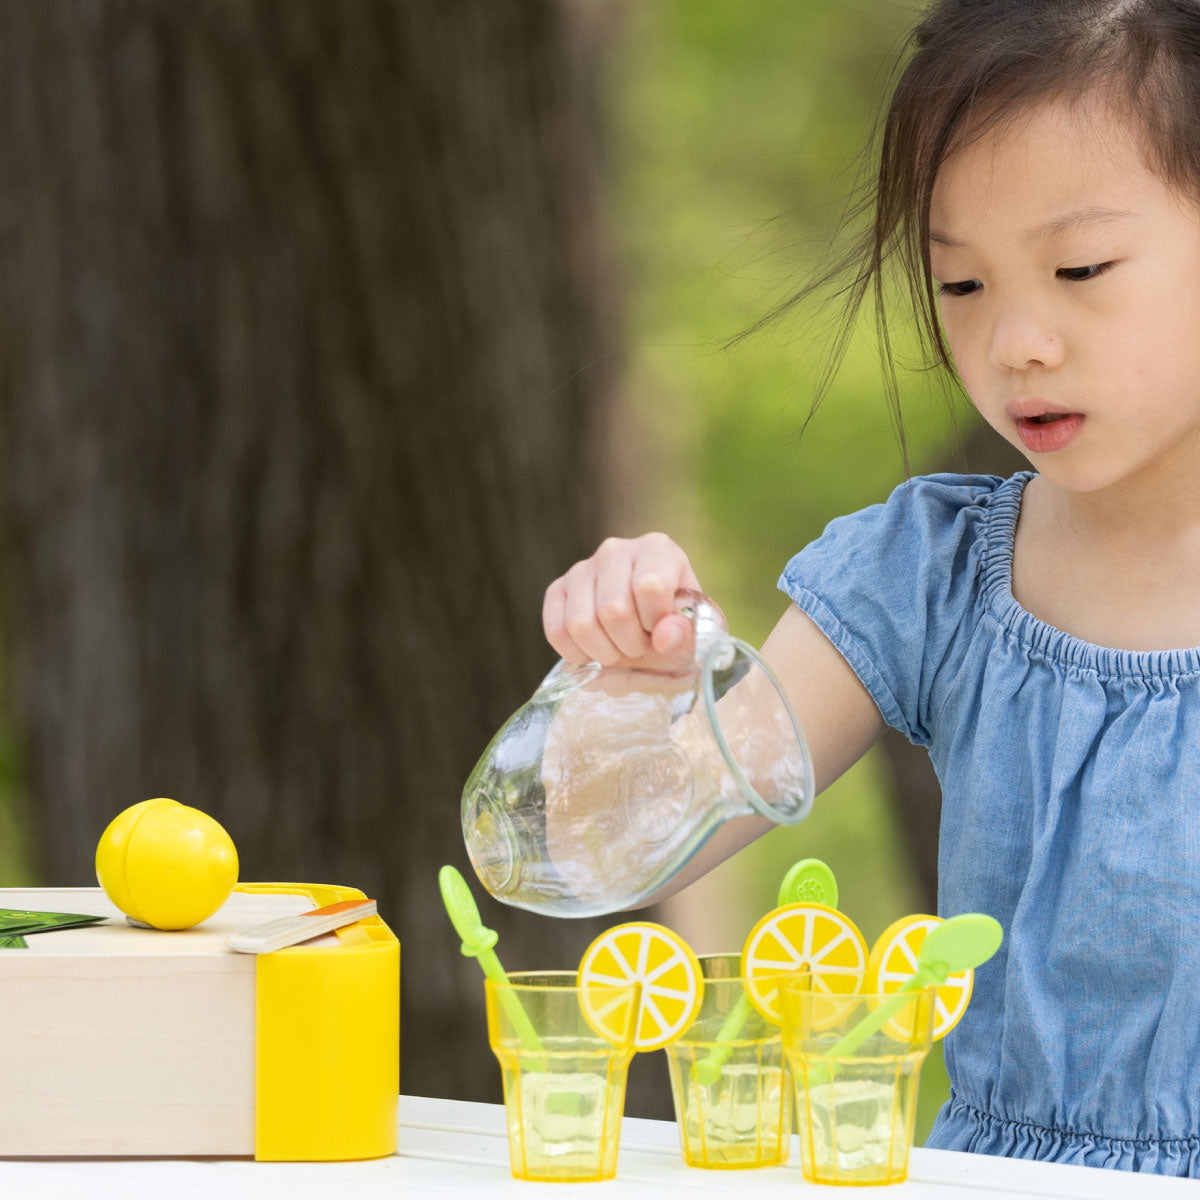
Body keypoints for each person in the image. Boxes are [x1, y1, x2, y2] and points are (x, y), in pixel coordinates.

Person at [542, 0, 1200, 1177]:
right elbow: (614, 848)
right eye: (962, 287)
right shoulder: (932, 576)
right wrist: (628, 682)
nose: (1017, 344)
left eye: (1080, 268)